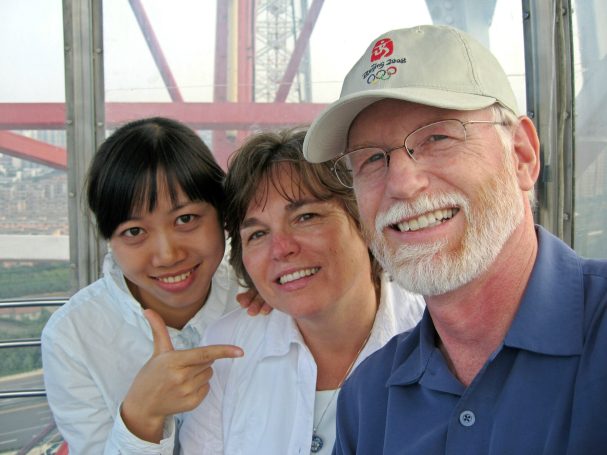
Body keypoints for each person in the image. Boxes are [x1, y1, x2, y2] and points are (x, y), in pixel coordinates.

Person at [302, 24, 607, 454]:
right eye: (371, 159)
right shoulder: (367, 399)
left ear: (522, 155)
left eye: (438, 137)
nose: (402, 183)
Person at [178, 128, 425, 454]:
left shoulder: (437, 338)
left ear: (364, 219)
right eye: (257, 234)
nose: (281, 249)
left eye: (306, 217)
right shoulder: (229, 348)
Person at [41, 117, 265, 454]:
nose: (167, 255)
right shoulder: (73, 337)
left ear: (223, 215)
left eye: (185, 219)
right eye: (134, 231)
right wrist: (141, 415)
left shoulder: (260, 298)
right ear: (109, 239)